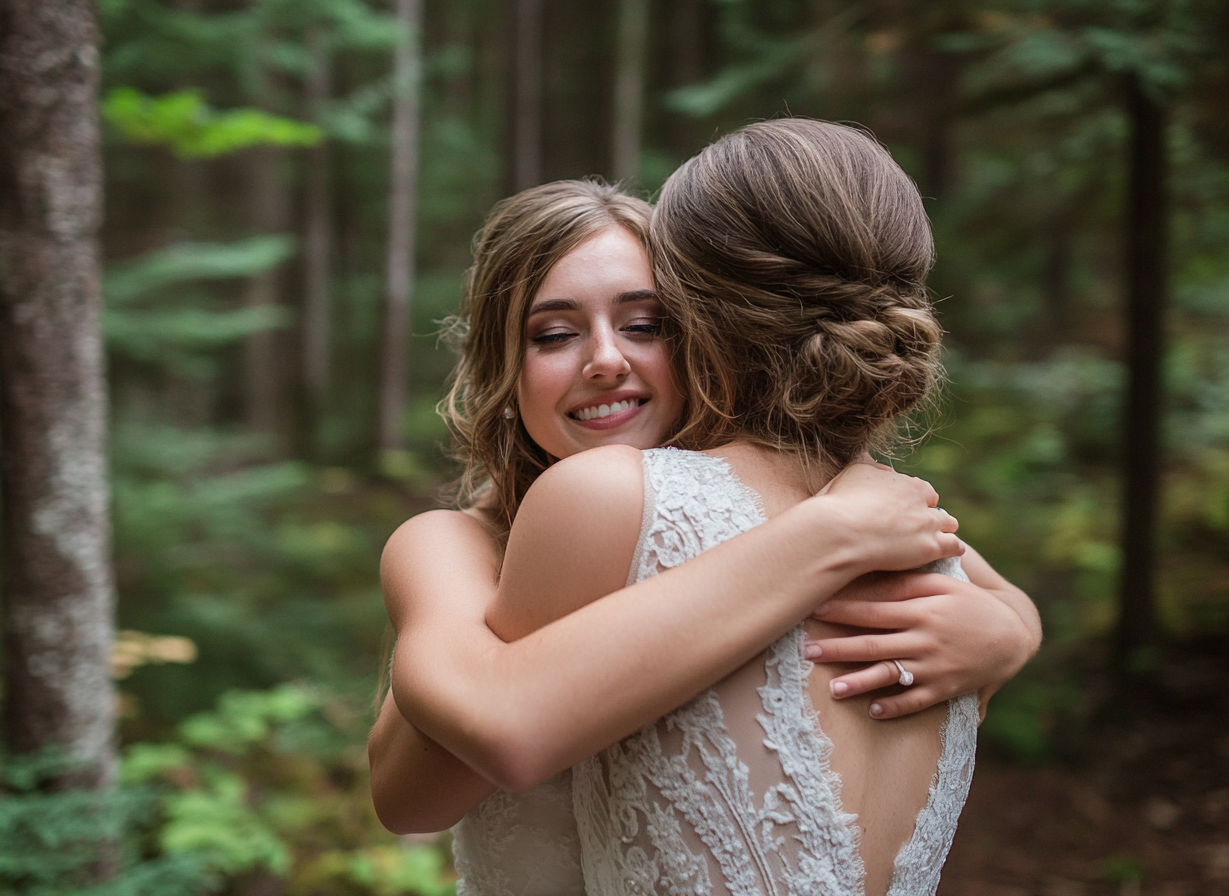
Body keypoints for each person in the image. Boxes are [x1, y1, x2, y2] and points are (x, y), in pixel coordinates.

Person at [367, 177, 1039, 891]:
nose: (605, 360)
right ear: (505, 366)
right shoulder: (452, 547)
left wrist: (1007, 637)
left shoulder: (764, 498)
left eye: (645, 325)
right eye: (555, 335)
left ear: (702, 336)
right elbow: (408, 800)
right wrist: (825, 537)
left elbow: (1006, 601)